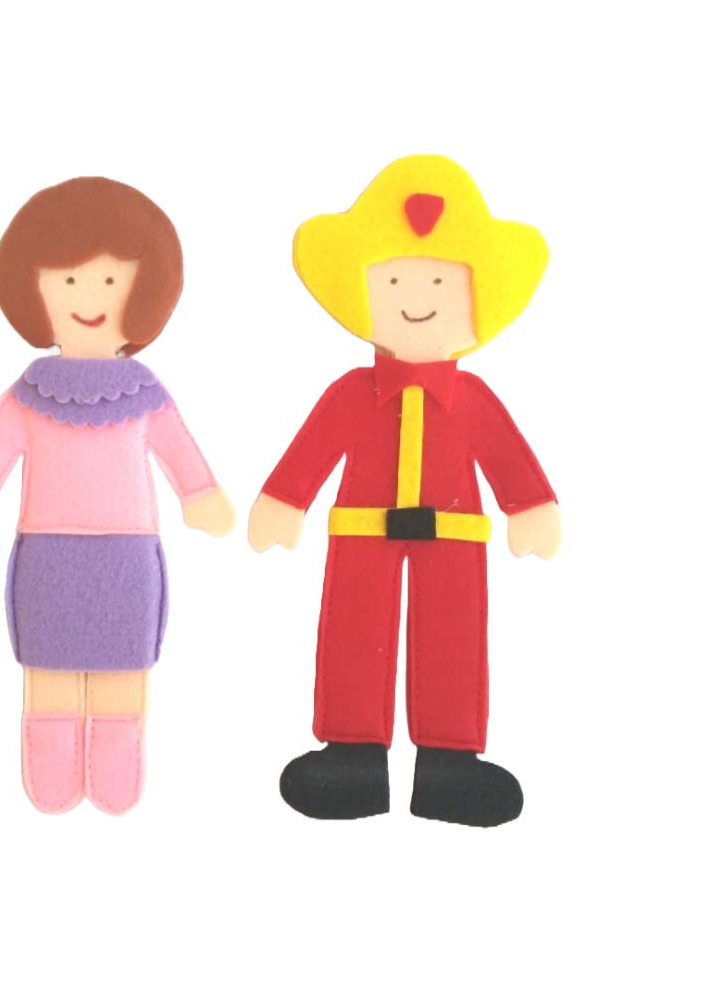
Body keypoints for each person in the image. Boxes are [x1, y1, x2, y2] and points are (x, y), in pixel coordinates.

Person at [248, 155, 561, 826]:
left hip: (454, 537)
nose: (417, 295)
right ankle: (353, 756)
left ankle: (449, 763)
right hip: (363, 532)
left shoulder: (473, 399)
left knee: (454, 632)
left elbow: (506, 455)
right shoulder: (351, 393)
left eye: (442, 280)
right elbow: (313, 449)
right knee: (353, 629)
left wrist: (530, 507)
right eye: (392, 279)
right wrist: (284, 502)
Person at [0, 177, 235, 815]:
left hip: (126, 557)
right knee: (48, 662)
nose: (89, 297)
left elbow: (177, 447)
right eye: (68, 280)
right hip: (49, 556)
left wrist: (200, 494)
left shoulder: (143, 391)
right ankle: (52, 762)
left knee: (125, 660)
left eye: (109, 279)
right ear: (34, 288)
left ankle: (115, 764)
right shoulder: (28, 394)